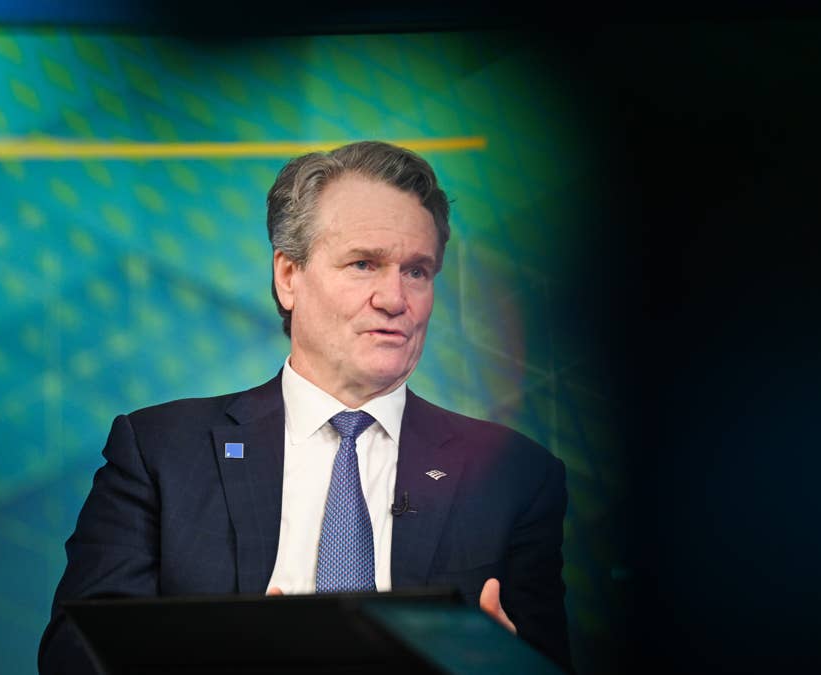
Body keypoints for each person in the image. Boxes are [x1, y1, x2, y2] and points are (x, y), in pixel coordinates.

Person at [38, 141, 572, 673]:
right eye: (363, 264)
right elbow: (77, 655)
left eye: (417, 271)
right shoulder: (160, 451)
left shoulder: (513, 474)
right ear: (288, 276)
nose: (394, 299)